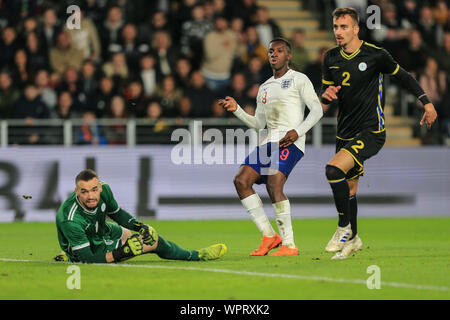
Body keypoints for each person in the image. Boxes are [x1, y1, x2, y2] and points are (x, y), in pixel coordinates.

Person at [320, 8, 438, 260]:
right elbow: (327, 90)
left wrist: (426, 102)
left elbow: (404, 77)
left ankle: (343, 228)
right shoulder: (330, 57)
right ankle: (353, 240)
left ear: (355, 29)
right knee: (349, 189)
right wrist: (326, 95)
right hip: (345, 131)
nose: (338, 32)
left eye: (343, 27)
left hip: (371, 131)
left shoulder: (376, 55)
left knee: (333, 170)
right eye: (335, 27)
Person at [219, 38, 323, 256]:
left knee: (274, 184)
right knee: (241, 181)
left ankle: (289, 245)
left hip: (290, 141)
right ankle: (269, 236)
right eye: (270, 51)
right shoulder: (264, 87)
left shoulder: (299, 79)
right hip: (268, 141)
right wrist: (237, 109)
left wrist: (298, 132)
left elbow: (316, 111)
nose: (274, 54)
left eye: (279, 51)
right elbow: (258, 124)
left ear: (289, 56)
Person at [55, 169, 227, 263]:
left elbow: (117, 214)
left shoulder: (105, 189)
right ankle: (196, 255)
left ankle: (71, 252)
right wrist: (121, 253)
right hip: (92, 249)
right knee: (152, 245)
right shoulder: (70, 219)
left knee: (151, 238)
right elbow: (89, 259)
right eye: (84, 192)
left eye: (94, 190)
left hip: (105, 231)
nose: (91, 196)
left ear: (99, 187)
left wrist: (140, 227)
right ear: (77, 191)